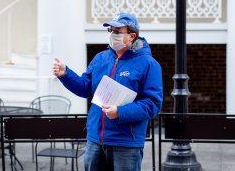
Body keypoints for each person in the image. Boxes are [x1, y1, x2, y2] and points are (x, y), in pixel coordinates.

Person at [52, 12, 163, 171]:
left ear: (131, 36)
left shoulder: (149, 64)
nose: (112, 35)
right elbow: (85, 87)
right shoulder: (100, 58)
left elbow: (152, 104)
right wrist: (66, 74)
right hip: (95, 140)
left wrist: (120, 112)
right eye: (111, 31)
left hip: (125, 143)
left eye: (117, 32)